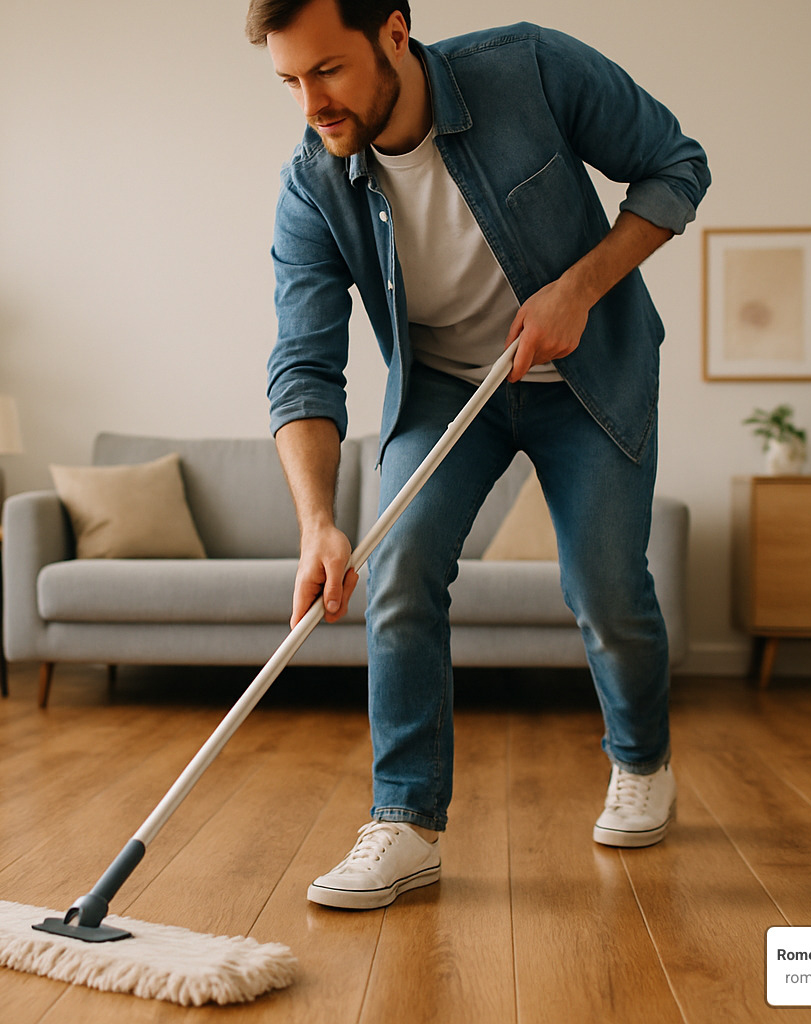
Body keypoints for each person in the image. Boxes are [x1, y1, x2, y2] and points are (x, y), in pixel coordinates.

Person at [248, 0, 709, 910]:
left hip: (587, 369)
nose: (312, 104)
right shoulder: (314, 187)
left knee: (604, 586)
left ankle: (642, 758)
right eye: (291, 81)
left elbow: (676, 167)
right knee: (400, 569)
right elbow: (304, 367)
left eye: (329, 71)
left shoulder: (528, 67)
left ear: (394, 31)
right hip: (448, 390)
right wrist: (316, 524)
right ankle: (406, 822)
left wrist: (575, 291)